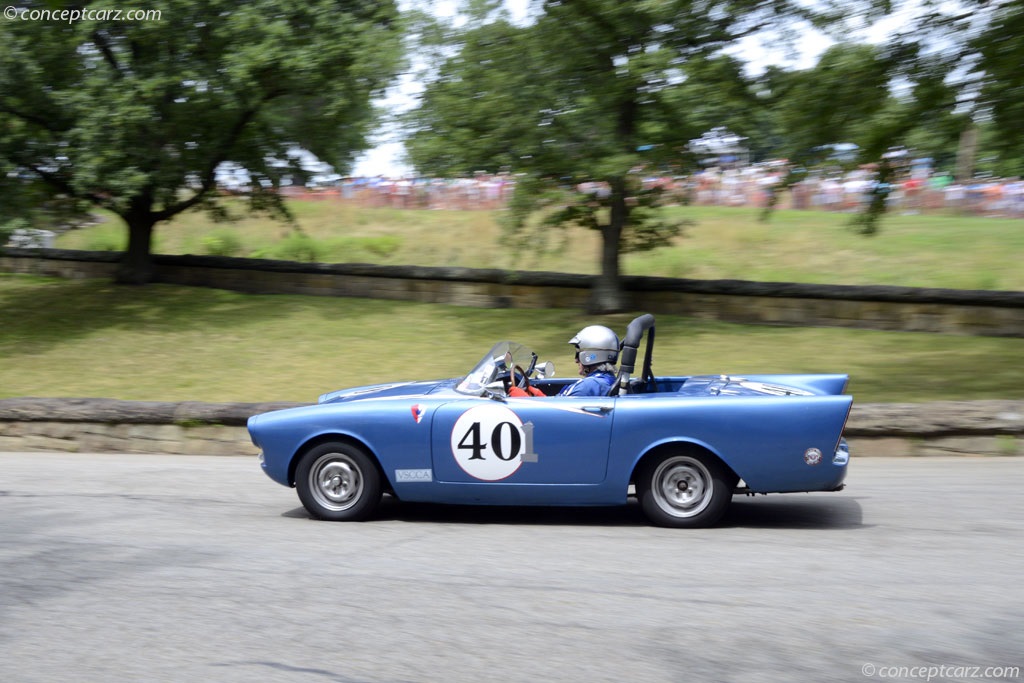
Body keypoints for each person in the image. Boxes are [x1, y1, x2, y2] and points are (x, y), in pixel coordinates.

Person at [557, 325, 619, 397]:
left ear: (590, 355)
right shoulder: (609, 380)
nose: (576, 360)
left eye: (578, 354)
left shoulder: (587, 386)